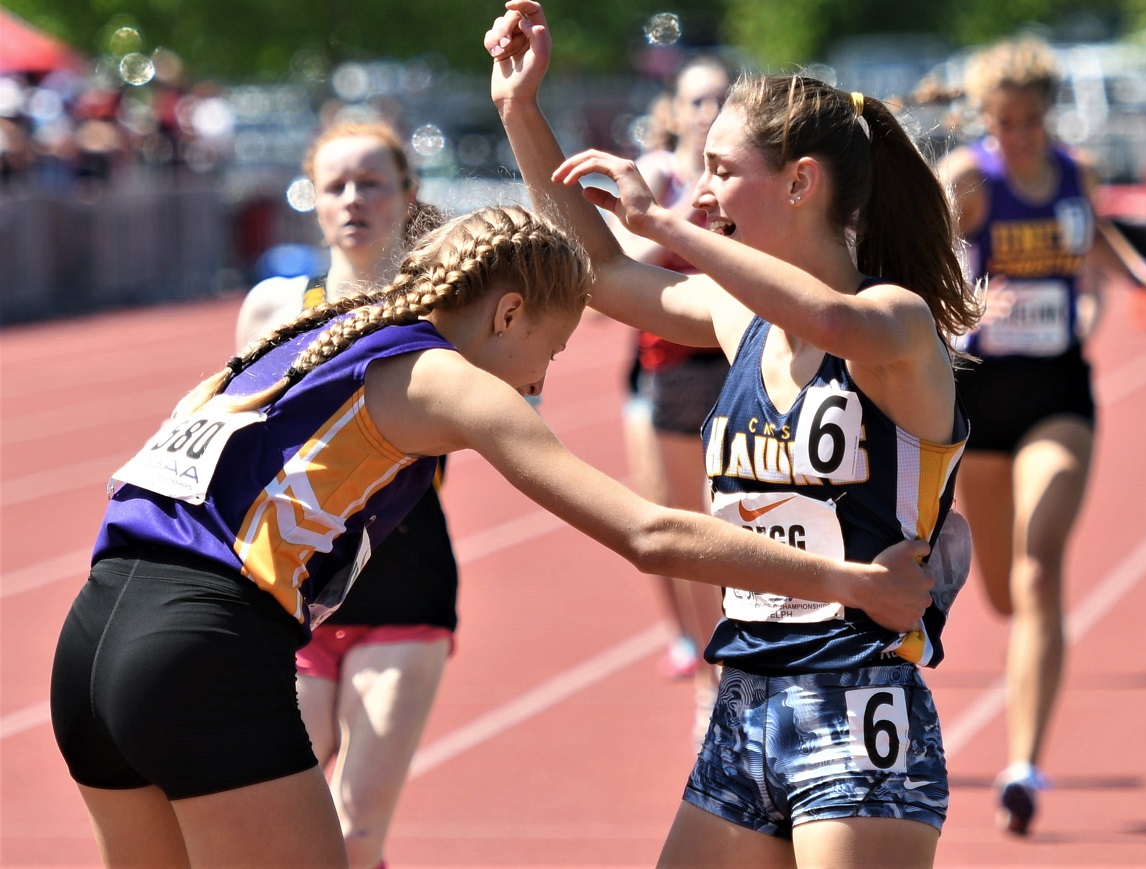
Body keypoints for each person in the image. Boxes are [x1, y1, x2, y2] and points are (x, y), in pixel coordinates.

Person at [50, 202, 940, 867]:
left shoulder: (314, 333)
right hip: (200, 648)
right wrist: (851, 580)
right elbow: (648, 531)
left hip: (90, 643)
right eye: (551, 351)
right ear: (507, 313)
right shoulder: (441, 372)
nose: (542, 378)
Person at [486, 3, 980, 864]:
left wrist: (667, 226)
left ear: (798, 184)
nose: (701, 190)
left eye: (721, 169)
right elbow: (600, 272)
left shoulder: (892, 320)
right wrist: (521, 112)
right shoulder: (735, 315)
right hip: (744, 700)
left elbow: (829, 315)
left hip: (855, 706)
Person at [934, 35, 1146, 836]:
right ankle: (1024, 659)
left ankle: (1022, 764)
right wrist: (970, 303)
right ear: (985, 118)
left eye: (1029, 120)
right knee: (996, 590)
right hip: (980, 402)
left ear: (1046, 115)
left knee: (1039, 567)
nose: (1018, 134)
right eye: (1003, 121)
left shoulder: (1073, 172)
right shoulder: (969, 181)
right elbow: (923, 260)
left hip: (1058, 391)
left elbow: (1094, 235)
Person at [235, 119, 455, 869]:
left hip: (403, 593)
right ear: (314, 200)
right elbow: (236, 440)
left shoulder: (442, 310)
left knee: (356, 831)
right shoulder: (274, 307)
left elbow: (517, 409)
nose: (354, 199)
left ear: (407, 195)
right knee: (278, 833)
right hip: (289, 597)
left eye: (372, 183)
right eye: (337, 186)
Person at [612, 56, 737, 709]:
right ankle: (705, 674)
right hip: (669, 366)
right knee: (685, 527)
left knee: (746, 523)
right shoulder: (658, 177)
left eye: (722, 97)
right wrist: (684, 208)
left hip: (738, 356)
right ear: (677, 111)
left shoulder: (749, 175)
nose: (710, 110)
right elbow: (622, 264)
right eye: (698, 101)